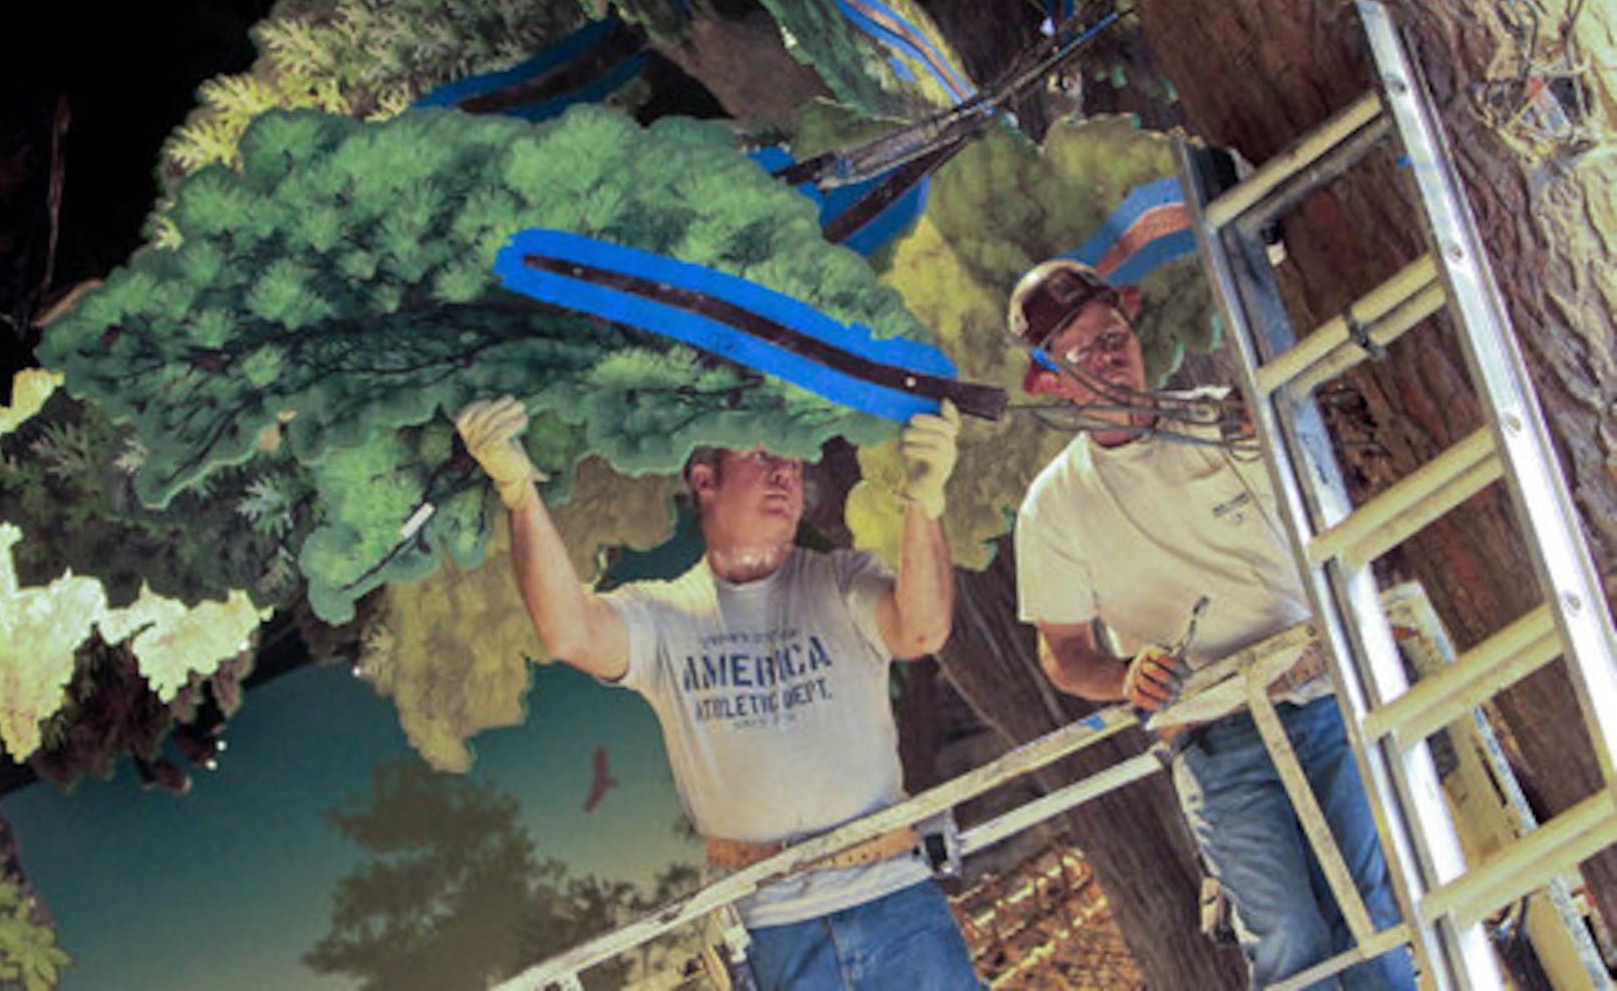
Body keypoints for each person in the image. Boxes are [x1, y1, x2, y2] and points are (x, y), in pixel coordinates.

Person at [454, 395, 981, 990]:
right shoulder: (666, 616)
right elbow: (569, 630)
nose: (787, 472)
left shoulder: (843, 579)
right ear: (704, 480)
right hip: (772, 921)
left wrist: (925, 503)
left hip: (893, 892)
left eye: (794, 460)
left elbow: (923, 627)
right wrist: (519, 492)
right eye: (762, 455)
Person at [1006, 259, 1415, 990]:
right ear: (1047, 381)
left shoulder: (1223, 419)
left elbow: (1327, 518)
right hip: (1210, 738)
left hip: (1315, 696)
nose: (1109, 356)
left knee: (1367, 906)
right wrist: (1127, 678)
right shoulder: (1054, 506)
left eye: (1115, 335)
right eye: (1083, 350)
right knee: (1287, 933)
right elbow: (1065, 654)